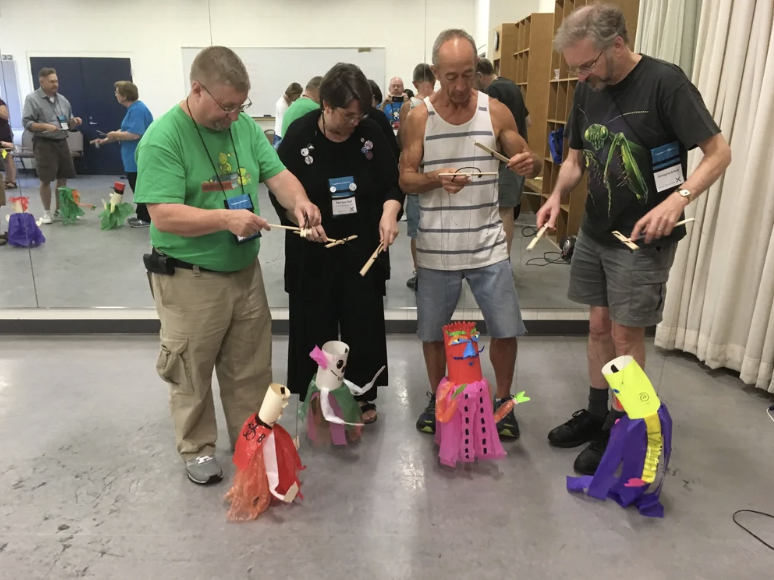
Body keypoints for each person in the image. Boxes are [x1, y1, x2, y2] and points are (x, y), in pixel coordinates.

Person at [537, 4, 731, 475]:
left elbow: (718, 152)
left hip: (643, 237)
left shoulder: (666, 83)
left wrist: (678, 199)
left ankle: (627, 426)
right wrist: (558, 194)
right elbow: (575, 158)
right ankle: (598, 411)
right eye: (575, 68)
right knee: (599, 325)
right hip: (596, 229)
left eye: (587, 65)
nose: (581, 76)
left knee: (626, 333)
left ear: (617, 45)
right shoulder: (588, 87)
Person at [134, 46, 322, 485]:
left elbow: (278, 174)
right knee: (192, 370)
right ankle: (197, 447)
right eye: (226, 106)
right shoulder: (164, 137)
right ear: (196, 90)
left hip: (244, 273)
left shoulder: (243, 129)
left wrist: (300, 202)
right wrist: (224, 218)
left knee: (250, 367)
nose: (234, 116)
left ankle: (249, 439)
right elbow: (163, 214)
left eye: (241, 105)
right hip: (189, 278)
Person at [400, 29, 542, 439]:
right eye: (451, 77)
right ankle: (438, 395)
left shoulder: (495, 111)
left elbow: (520, 150)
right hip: (435, 248)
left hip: (487, 245)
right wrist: (434, 179)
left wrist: (525, 162)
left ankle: (504, 402)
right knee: (431, 333)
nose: (461, 86)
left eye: (468, 75)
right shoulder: (419, 116)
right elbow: (405, 180)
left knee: (505, 328)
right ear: (434, 72)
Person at [271, 63, 403, 424]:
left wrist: (390, 212)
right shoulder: (299, 136)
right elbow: (279, 191)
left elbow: (393, 184)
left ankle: (361, 395)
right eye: (347, 115)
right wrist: (299, 220)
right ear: (325, 105)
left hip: (361, 247)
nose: (354, 122)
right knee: (315, 324)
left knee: (363, 322)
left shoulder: (371, 133)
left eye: (360, 115)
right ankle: (319, 395)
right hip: (313, 249)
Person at [476, 57, 531, 256]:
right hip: (520, 154)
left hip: (506, 160)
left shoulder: (493, 91)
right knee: (507, 210)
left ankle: (502, 260)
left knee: (503, 211)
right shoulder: (512, 86)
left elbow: (489, 129)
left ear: (479, 75)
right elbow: (529, 120)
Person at [22, 68, 82, 224]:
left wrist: (74, 122)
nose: (55, 84)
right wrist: (45, 126)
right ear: (42, 82)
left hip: (62, 141)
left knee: (63, 178)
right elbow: (27, 123)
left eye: (56, 81)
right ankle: (47, 212)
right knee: (46, 179)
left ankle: (60, 210)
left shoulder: (62, 100)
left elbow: (68, 123)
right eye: (52, 81)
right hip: (44, 143)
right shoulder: (32, 99)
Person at [89, 81, 154, 228]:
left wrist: (113, 134)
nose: (115, 95)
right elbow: (124, 130)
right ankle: (141, 214)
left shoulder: (138, 110)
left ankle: (146, 218)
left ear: (124, 96)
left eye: (117, 92)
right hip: (131, 157)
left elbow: (134, 134)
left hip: (137, 156)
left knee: (140, 187)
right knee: (137, 186)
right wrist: (106, 140)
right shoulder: (133, 109)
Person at [397, 63, 437, 291]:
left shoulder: (409, 106)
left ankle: (420, 274)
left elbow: (402, 140)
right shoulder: (443, 103)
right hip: (441, 172)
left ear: (413, 84)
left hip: (417, 172)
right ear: (435, 79)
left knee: (416, 228)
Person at [0, 98, 16, 189]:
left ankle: (12, 181)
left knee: (8, 157)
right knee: (3, 157)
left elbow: (6, 116)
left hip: (3, 135)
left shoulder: (0, 102)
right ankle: (7, 179)